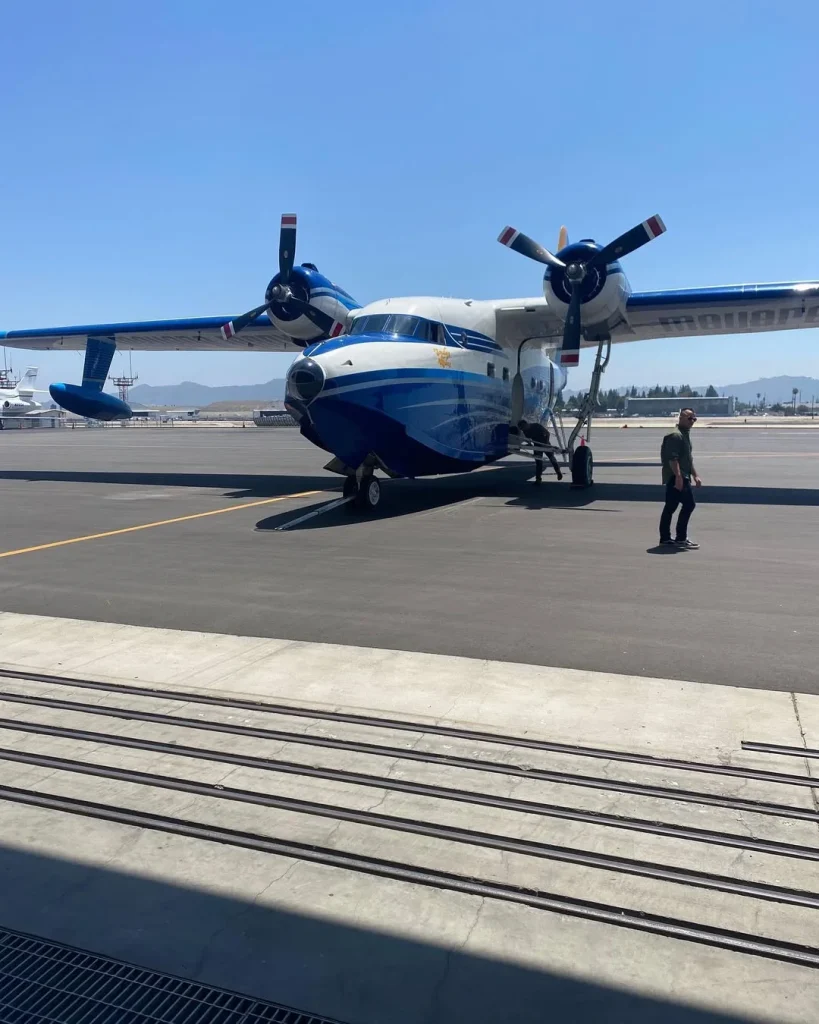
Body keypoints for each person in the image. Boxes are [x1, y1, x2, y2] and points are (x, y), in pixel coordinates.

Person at [659, 408, 702, 549]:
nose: (692, 422)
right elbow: (673, 459)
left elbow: (687, 459)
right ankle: (680, 538)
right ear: (681, 418)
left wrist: (695, 475)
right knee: (689, 504)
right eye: (690, 418)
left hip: (682, 475)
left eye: (694, 419)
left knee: (670, 507)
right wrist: (678, 477)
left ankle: (666, 538)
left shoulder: (684, 435)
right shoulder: (675, 436)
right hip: (677, 476)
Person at [517, 419, 563, 483]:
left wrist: (546, 443)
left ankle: (558, 472)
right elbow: (528, 438)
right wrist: (529, 444)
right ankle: (538, 479)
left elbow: (547, 433)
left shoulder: (536, 426)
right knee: (538, 462)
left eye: (523, 428)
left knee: (552, 458)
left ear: (526, 424)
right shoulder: (525, 431)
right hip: (537, 446)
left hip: (545, 443)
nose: (523, 430)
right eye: (521, 429)